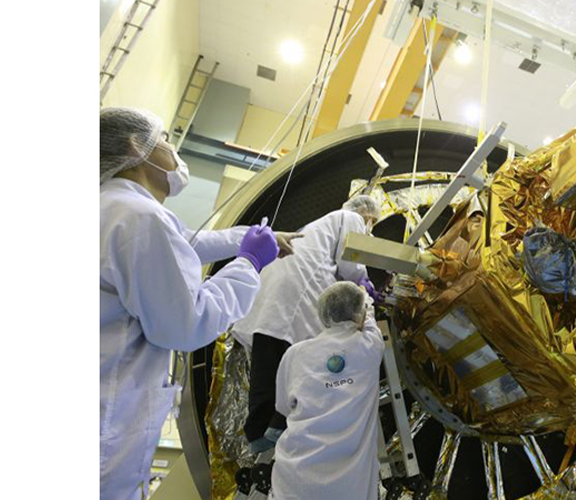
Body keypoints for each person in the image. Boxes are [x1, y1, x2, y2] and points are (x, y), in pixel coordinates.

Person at [100, 107, 290, 500]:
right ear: (138, 146)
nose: (173, 150)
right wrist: (249, 263)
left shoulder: (113, 207)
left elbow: (185, 243)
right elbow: (188, 324)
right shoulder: (138, 217)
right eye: (166, 138)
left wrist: (249, 239)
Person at [231, 195, 383, 458]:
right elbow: (351, 259)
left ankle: (257, 434)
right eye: (372, 225)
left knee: (267, 363)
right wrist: (365, 285)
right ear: (367, 216)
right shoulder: (352, 218)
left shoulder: (314, 227)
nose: (369, 229)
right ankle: (279, 426)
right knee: (299, 366)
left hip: (270, 294)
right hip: (296, 295)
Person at [271, 282, 384, 500]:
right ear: (358, 312)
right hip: (349, 486)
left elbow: (283, 407)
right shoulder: (369, 346)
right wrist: (366, 297)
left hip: (295, 477)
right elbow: (368, 318)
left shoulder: (295, 355)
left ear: (323, 315)